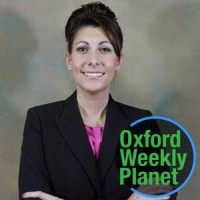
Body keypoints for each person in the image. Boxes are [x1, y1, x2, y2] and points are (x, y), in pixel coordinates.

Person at [19, 2, 177, 200]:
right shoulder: (41, 120)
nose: (93, 60)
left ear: (118, 60)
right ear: (69, 60)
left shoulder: (141, 122)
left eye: (104, 49)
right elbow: (32, 197)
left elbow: (164, 190)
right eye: (83, 49)